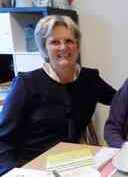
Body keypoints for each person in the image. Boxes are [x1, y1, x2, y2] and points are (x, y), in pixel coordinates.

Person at [0, 15, 116, 175]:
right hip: (31, 166)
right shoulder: (26, 84)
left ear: (77, 45)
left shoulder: (89, 79)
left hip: (72, 164)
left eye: (69, 41)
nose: (63, 47)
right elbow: (3, 140)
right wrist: (11, 172)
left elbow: (121, 101)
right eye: (55, 42)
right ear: (44, 48)